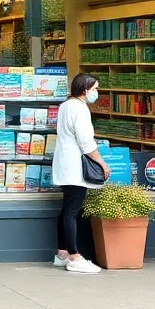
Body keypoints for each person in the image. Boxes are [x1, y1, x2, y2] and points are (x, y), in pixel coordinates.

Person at [51, 72, 111, 274]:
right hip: (74, 166)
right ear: (85, 90)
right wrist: (102, 163)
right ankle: (74, 256)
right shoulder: (80, 109)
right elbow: (86, 142)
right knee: (72, 211)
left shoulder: (65, 106)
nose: (97, 92)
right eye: (95, 89)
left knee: (67, 208)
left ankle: (62, 253)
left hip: (64, 163)